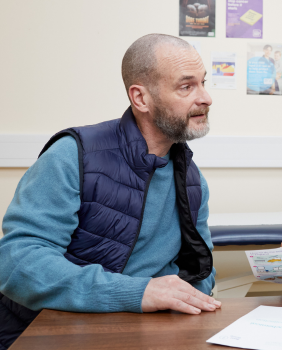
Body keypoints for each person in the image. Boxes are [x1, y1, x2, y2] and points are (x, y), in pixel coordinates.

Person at [0, 34, 220, 349]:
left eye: (203, 83)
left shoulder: (193, 181)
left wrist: (186, 302)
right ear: (141, 98)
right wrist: (137, 293)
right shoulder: (72, 155)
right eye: (187, 87)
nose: (206, 97)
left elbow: (200, 269)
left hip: (151, 333)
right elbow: (17, 263)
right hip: (54, 333)